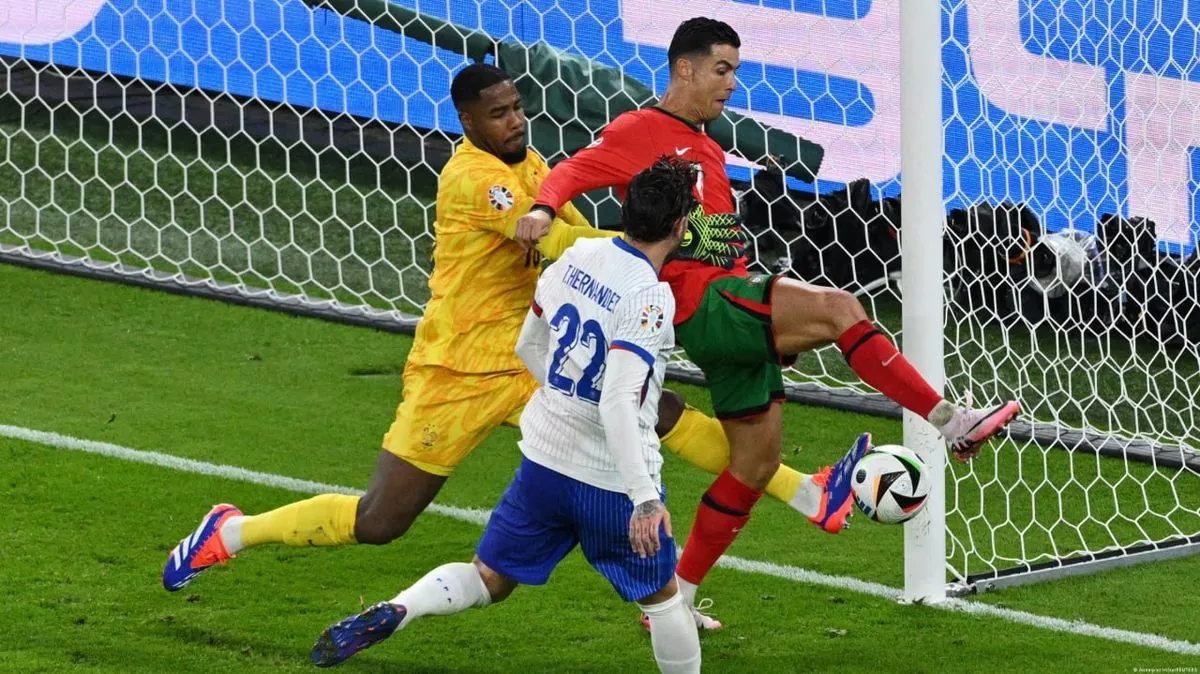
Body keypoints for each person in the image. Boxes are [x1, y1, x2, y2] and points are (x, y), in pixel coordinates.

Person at [159, 64, 828, 633]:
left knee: (656, 410)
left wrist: (651, 244)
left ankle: (803, 498)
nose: (514, 122)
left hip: (532, 356)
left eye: (517, 109)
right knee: (382, 519)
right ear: (467, 120)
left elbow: (578, 228)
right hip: (456, 368)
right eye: (498, 113)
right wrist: (662, 241)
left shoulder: (531, 164)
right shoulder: (476, 181)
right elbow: (561, 242)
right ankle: (230, 532)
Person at [513, 16, 1021, 617]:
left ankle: (675, 605)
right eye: (722, 70)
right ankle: (949, 419)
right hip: (705, 303)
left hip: (721, 303)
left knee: (752, 466)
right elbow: (575, 169)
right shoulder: (641, 128)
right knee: (839, 309)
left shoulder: (706, 144)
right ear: (686, 67)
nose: (731, 84)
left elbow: (711, 234)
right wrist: (544, 209)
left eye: (735, 71)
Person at [309, 157, 711, 672]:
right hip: (609, 480)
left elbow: (529, 345)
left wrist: (564, 399)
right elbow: (615, 400)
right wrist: (645, 500)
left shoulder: (578, 255)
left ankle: (403, 607)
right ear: (679, 227)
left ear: (623, 209)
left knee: (488, 577)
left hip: (544, 462)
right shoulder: (649, 297)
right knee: (662, 596)